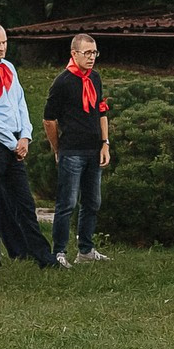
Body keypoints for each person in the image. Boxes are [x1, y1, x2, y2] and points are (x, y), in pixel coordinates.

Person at [0, 21, 58, 270]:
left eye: (4, 43)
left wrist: (25, 136)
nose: (2, 48)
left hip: (15, 141)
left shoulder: (9, 68)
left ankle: (40, 254)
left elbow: (20, 104)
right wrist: (12, 143)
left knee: (24, 202)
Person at [43, 33, 112, 265]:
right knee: (67, 203)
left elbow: (101, 111)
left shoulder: (95, 78)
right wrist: (57, 148)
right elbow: (49, 120)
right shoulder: (63, 82)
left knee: (92, 202)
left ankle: (86, 250)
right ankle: (59, 251)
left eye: (95, 53)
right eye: (87, 53)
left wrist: (105, 143)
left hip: (94, 149)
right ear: (74, 54)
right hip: (71, 150)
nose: (92, 58)